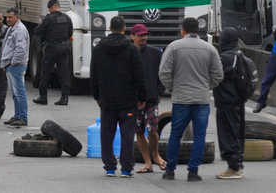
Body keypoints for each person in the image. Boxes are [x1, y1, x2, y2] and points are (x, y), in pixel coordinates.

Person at [159, 17, 223, 182]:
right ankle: (193, 172)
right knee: (200, 136)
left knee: (175, 135)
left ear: (183, 30)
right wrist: (206, 86)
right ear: (198, 30)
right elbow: (218, 75)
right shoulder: (210, 49)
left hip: (181, 99)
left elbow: (163, 72)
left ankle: (170, 170)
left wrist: (173, 88)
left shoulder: (174, 47)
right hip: (201, 99)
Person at [90, 16, 147, 178]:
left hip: (107, 99)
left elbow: (94, 74)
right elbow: (139, 76)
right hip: (127, 99)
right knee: (127, 134)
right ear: (124, 29)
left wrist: (97, 95)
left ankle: (109, 167)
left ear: (109, 27)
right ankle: (126, 168)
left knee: (106, 134)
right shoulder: (131, 49)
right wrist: (141, 97)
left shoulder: (99, 48)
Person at [130, 24, 167, 173]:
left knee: (152, 130)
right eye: (140, 35)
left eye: (145, 35)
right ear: (132, 36)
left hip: (151, 100)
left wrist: (158, 91)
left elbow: (163, 73)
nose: (143, 37)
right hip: (134, 102)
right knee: (139, 132)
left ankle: (156, 155)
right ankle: (147, 163)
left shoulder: (155, 53)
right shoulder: (128, 53)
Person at [214, 27, 246, 179]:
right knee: (237, 133)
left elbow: (214, 74)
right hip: (238, 101)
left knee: (228, 133)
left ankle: (234, 167)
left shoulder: (226, 57)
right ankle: (237, 164)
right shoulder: (240, 55)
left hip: (227, 102)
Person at [34, 0, 73, 106]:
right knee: (64, 72)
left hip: (52, 48)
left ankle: (43, 97)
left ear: (51, 8)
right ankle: (65, 97)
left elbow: (37, 32)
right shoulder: (67, 18)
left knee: (45, 72)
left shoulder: (48, 18)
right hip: (64, 47)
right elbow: (70, 33)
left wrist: (40, 23)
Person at [1, 8, 29, 126]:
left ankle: (23, 117)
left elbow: (20, 49)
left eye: (10, 17)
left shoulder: (20, 30)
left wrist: (13, 62)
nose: (8, 19)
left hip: (17, 66)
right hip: (10, 65)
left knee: (19, 92)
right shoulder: (11, 29)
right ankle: (17, 116)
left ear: (17, 17)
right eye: (7, 17)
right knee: (14, 92)